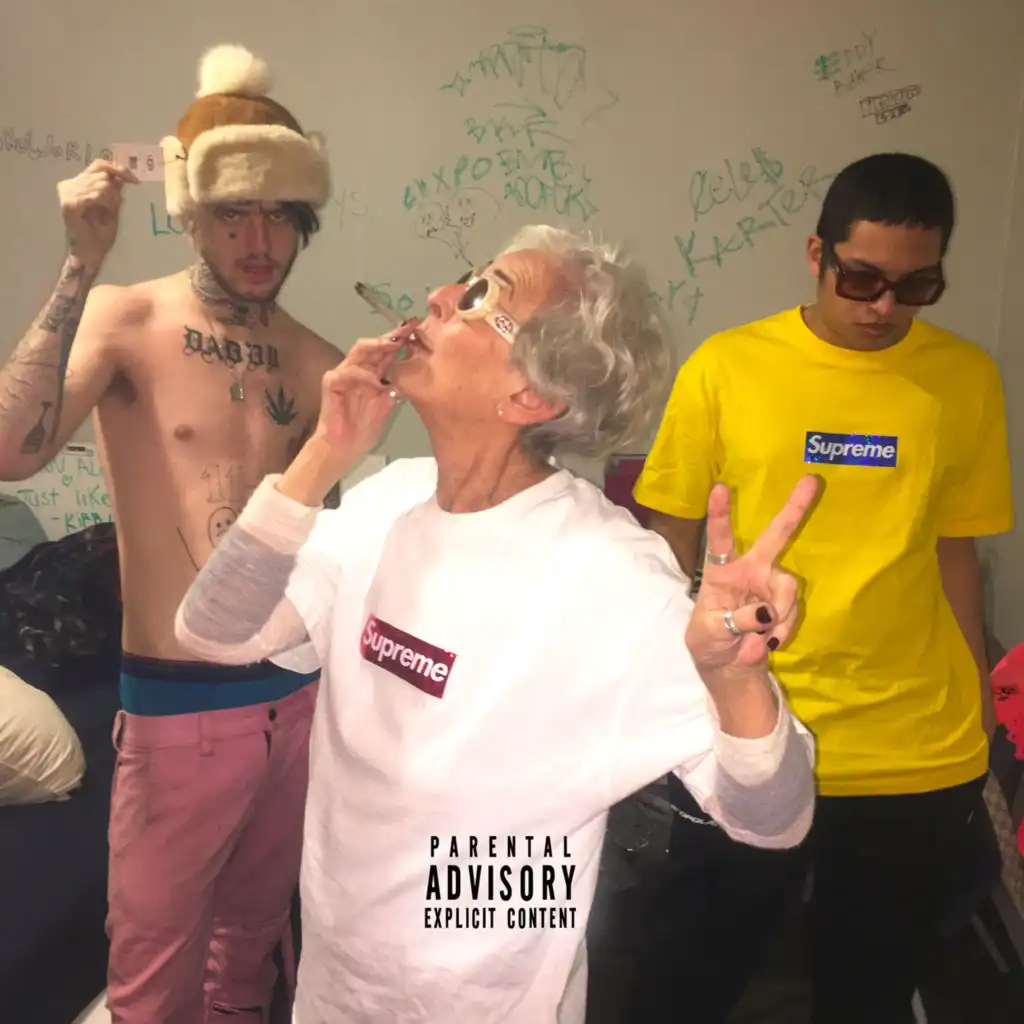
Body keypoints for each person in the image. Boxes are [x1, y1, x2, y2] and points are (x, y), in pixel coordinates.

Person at [173, 224, 820, 1023]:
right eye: (464, 278)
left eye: (483, 297)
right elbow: (216, 630)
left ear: (531, 398)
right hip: (335, 990)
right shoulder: (386, 501)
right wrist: (320, 458)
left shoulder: (610, 573)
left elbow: (773, 820)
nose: (441, 297)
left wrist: (733, 679)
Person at [631, 152, 1015, 1022]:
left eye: (916, 287)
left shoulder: (964, 378)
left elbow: (954, 548)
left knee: (866, 995)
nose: (885, 307)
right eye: (863, 279)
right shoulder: (727, 367)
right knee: (682, 984)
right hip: (748, 727)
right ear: (817, 253)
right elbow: (667, 538)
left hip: (911, 746)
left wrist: (980, 705)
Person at [0, 44, 340, 1024]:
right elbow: (12, 451)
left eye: (281, 213)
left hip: (295, 700)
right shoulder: (127, 318)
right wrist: (81, 262)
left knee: (252, 951)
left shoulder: (318, 363)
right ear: (191, 211)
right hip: (175, 706)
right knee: (152, 971)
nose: (259, 237)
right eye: (234, 210)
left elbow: (323, 547)